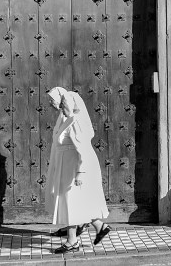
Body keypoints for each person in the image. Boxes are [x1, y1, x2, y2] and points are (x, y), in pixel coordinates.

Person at [44, 87, 111, 254]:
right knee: (73, 203)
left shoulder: (75, 121)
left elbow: (83, 149)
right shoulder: (63, 118)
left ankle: (72, 241)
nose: (51, 103)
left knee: (72, 204)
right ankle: (99, 227)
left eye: (53, 100)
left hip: (74, 168)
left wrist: (81, 171)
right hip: (64, 166)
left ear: (63, 101)